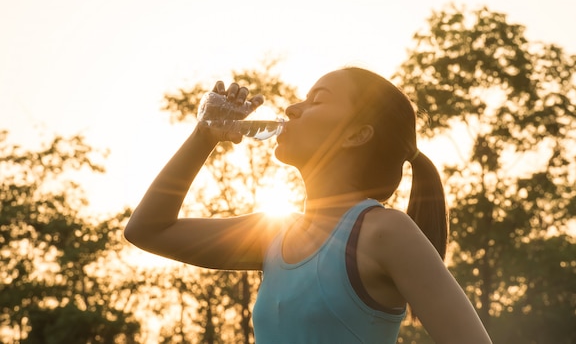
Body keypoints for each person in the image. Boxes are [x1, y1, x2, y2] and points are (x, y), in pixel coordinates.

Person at [124, 66, 492, 343]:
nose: (291, 108)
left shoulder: (382, 232)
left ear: (356, 134)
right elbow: (147, 230)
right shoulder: (270, 234)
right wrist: (203, 137)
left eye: (317, 100)